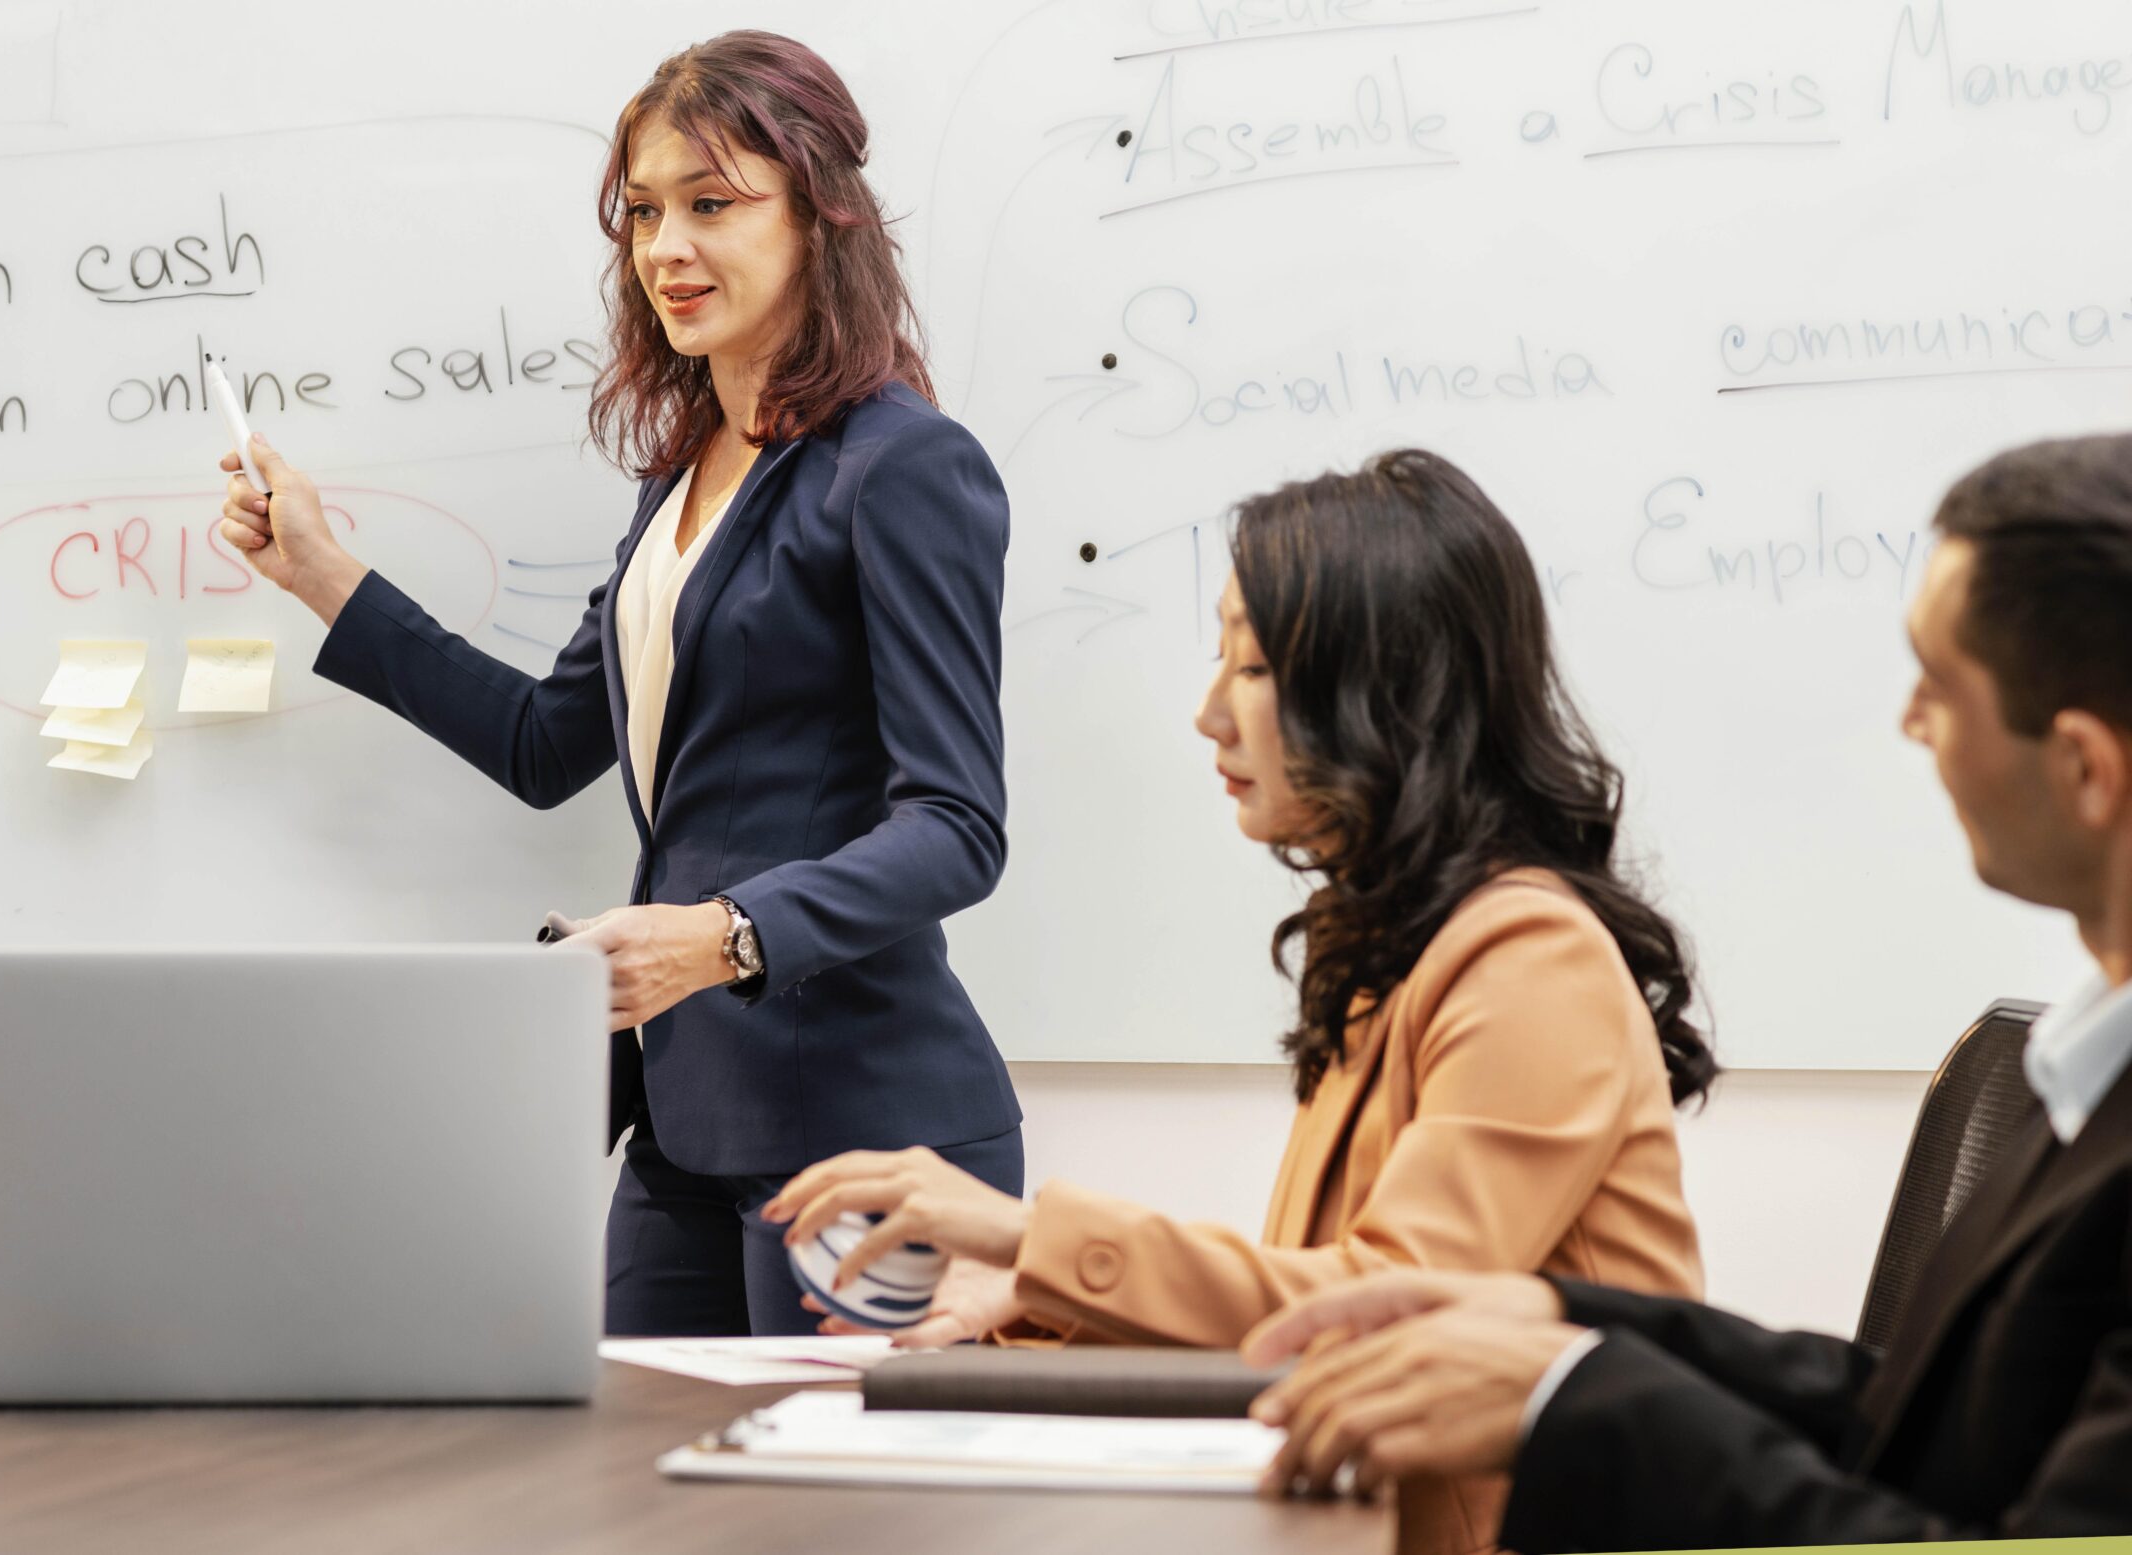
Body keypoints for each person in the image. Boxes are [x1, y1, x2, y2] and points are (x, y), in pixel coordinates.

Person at [212, 31, 1022, 1337]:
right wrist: (322, 574)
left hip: (866, 1129)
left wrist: (722, 934)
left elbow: (958, 827)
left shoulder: (904, 468)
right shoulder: (686, 471)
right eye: (643, 212)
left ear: (825, 215)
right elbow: (546, 741)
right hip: (685, 1117)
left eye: (712, 204)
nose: (666, 249)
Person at [765, 450, 1716, 1555]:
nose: (1210, 714)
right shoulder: (1386, 941)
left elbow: (1384, 1304)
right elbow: (1303, 1312)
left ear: (1384, 692)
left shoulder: (1529, 956)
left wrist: (1033, 1236)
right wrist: (1028, 1303)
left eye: (1254, 668)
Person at [1244, 432, 2132, 1548]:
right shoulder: (2087, 1072)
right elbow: (1917, 1418)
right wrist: (1566, 1324)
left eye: (1940, 686)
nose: (1910, 722)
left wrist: (1571, 1400)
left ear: (2086, 770)